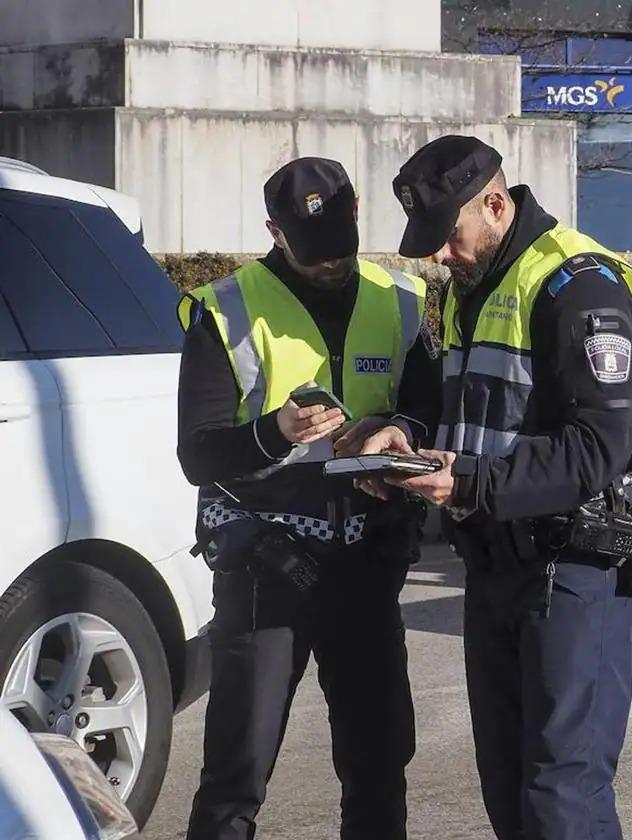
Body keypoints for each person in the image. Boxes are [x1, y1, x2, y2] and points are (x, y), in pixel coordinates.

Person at [354, 135, 632, 840]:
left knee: (562, 794)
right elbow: (444, 390)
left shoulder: (578, 283)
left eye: (449, 236)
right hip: (495, 564)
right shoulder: (471, 284)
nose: (439, 255)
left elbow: (599, 448)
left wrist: (469, 479)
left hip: (574, 568)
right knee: (508, 783)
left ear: (495, 204)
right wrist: (402, 431)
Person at [176, 157, 440, 840]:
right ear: (274, 231)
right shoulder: (226, 309)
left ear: (356, 213)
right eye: (314, 253)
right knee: (238, 771)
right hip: (267, 564)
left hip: (367, 556)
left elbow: (428, 408)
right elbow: (197, 455)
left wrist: (397, 429)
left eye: (341, 248)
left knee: (378, 763)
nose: (331, 265)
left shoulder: (399, 298)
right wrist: (275, 431)